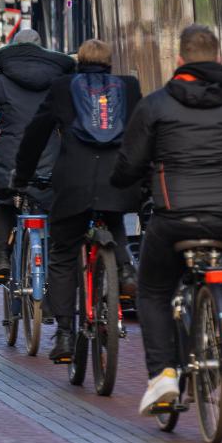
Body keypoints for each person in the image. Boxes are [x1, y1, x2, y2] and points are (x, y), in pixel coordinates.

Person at [110, 24, 222, 415]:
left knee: (152, 290)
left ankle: (163, 375)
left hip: (175, 220)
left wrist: (123, 183)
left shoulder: (155, 105)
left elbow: (130, 164)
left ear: (179, 60)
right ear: (219, 58)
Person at [14, 38, 143, 362]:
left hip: (73, 183)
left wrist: (21, 174)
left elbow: (36, 133)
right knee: (113, 220)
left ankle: (66, 337)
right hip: (117, 180)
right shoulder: (127, 87)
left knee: (62, 253)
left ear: (79, 62)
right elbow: (142, 132)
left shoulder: (63, 87)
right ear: (109, 63)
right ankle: (126, 271)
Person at [0, 29, 75, 286]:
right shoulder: (59, 80)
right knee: (52, 210)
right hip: (50, 161)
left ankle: (1, 259)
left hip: (10, 162)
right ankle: (56, 274)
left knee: (6, 204)